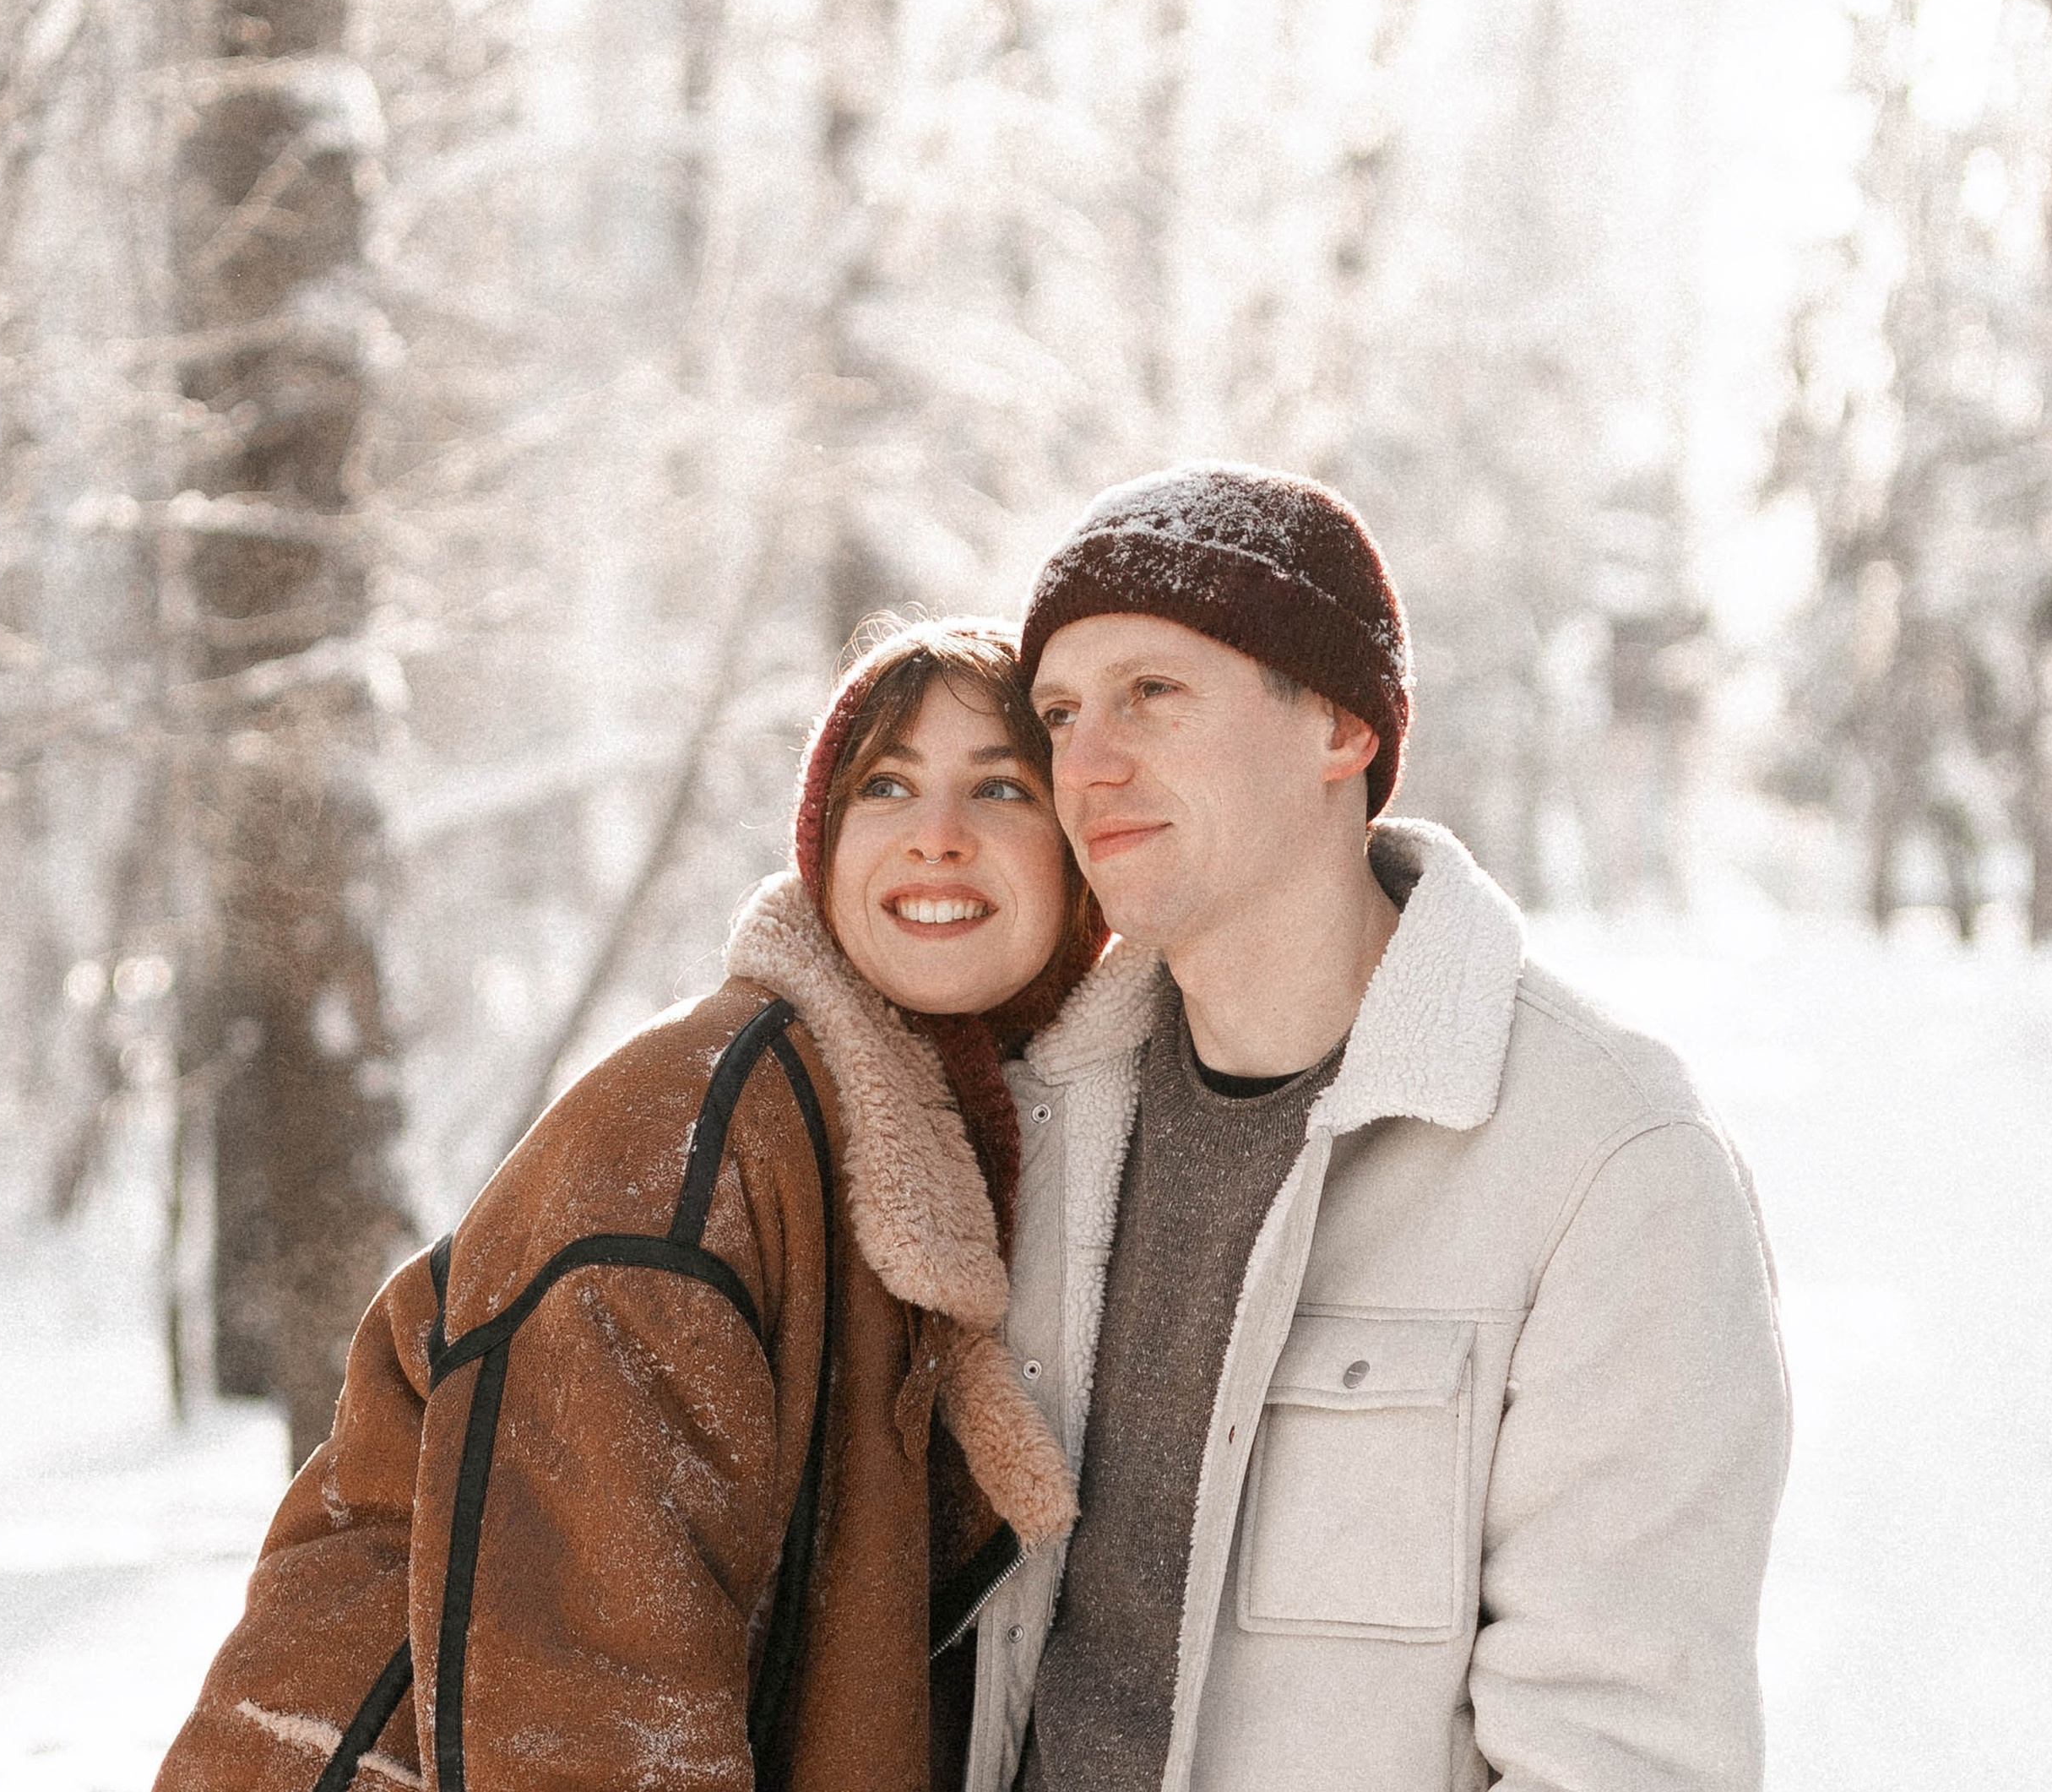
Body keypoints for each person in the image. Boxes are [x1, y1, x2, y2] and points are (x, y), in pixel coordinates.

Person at [155, 617, 1105, 1792]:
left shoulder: (949, 1146)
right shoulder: (690, 1142)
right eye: (887, 787)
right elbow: (591, 1711)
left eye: (1001, 787)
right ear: (822, 843)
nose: (937, 839)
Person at [959, 464, 1791, 1792]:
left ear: (1342, 727)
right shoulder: (1032, 1119)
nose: (1088, 763)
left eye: (1153, 695)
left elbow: (1621, 1756)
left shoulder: (1608, 1168)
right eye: (1059, 714)